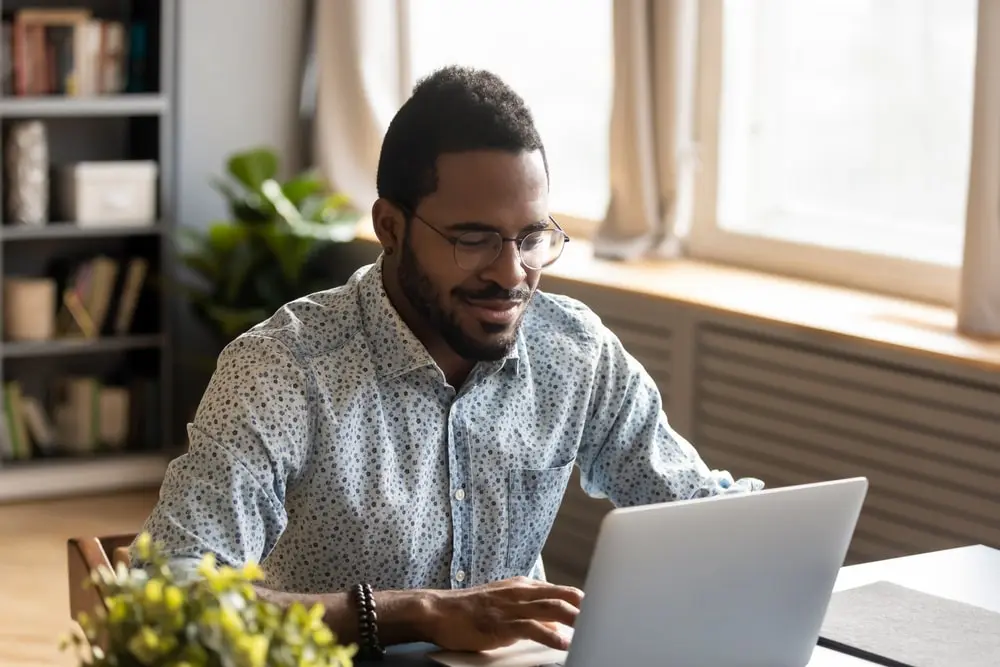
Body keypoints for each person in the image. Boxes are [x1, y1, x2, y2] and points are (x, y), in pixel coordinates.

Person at [133, 65, 763, 657]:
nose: (512, 273)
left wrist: (760, 537)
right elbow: (178, 598)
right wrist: (414, 612)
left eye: (531, 238)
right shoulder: (282, 369)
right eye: (474, 240)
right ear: (390, 227)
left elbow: (695, 510)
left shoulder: (573, 351)